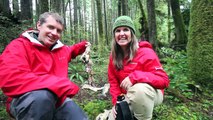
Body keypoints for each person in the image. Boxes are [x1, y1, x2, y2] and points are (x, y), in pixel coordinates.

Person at [0, 12, 89, 120]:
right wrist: (60, 84)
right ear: (39, 25)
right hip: (26, 99)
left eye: (58, 30)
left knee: (76, 114)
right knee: (42, 97)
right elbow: (10, 79)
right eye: (50, 27)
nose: (54, 33)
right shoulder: (19, 46)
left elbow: (71, 51)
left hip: (58, 100)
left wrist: (84, 45)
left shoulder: (61, 50)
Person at [107, 16, 170, 120]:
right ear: (114, 35)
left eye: (126, 30)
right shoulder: (113, 57)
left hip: (151, 94)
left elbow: (164, 80)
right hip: (128, 96)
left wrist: (135, 77)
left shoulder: (146, 52)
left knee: (139, 91)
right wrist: (117, 102)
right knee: (114, 117)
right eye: (118, 31)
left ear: (132, 34)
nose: (121, 34)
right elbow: (113, 82)